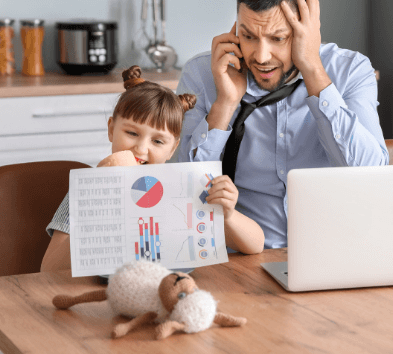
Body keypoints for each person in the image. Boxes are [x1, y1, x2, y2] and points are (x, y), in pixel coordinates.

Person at [176, 0, 388, 249]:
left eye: (278, 38)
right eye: (249, 36)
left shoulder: (350, 71)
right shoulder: (203, 74)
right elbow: (180, 195)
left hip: (332, 249)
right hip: (238, 255)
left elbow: (373, 177)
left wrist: (313, 70)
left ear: (306, 28)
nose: (261, 56)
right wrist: (225, 104)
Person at [41, 66, 265, 272]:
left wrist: (228, 214)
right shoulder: (87, 191)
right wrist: (95, 212)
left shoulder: (184, 191)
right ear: (111, 129)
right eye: (132, 133)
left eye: (158, 141)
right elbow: (49, 269)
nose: (141, 148)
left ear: (172, 148)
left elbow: (255, 245)